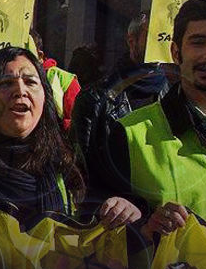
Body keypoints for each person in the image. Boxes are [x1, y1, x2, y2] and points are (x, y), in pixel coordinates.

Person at [0, 46, 138, 226]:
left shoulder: (67, 163)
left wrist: (123, 211)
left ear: (45, 97)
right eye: (6, 83)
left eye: (30, 82)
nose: (20, 90)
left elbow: (90, 230)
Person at [99, 0, 206, 233]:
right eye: (199, 42)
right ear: (176, 53)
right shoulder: (129, 135)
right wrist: (144, 227)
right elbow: (101, 241)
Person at [72, 11, 171, 176]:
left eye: (167, 36)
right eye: (155, 36)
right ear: (132, 41)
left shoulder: (181, 94)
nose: (162, 42)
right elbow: (83, 172)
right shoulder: (94, 99)